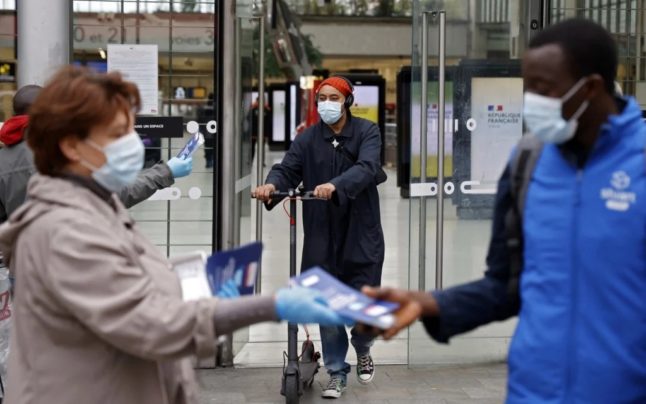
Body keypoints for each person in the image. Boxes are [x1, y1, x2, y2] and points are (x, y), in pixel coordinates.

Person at [0, 66, 349, 404]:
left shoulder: (90, 205)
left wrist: (200, 273)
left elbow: (129, 282)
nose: (125, 144)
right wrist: (266, 305)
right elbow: (148, 322)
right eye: (112, 133)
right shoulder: (65, 231)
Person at [361, 19, 646, 403]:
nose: (531, 103)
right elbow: (505, 285)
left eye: (543, 90)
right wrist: (428, 303)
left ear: (591, 87)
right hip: (533, 392)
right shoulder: (528, 161)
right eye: (527, 90)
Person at [253, 76, 385, 399]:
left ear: (347, 101)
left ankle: (363, 346)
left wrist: (337, 184)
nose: (326, 103)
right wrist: (272, 184)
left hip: (360, 231)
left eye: (333, 97)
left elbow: (368, 167)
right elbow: (288, 169)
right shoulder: (308, 138)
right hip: (321, 232)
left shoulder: (367, 132)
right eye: (321, 97)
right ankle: (337, 372)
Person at [0, 85, 192, 224]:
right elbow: (116, 194)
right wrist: (166, 172)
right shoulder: (66, 153)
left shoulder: (3, 158)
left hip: (23, 265)